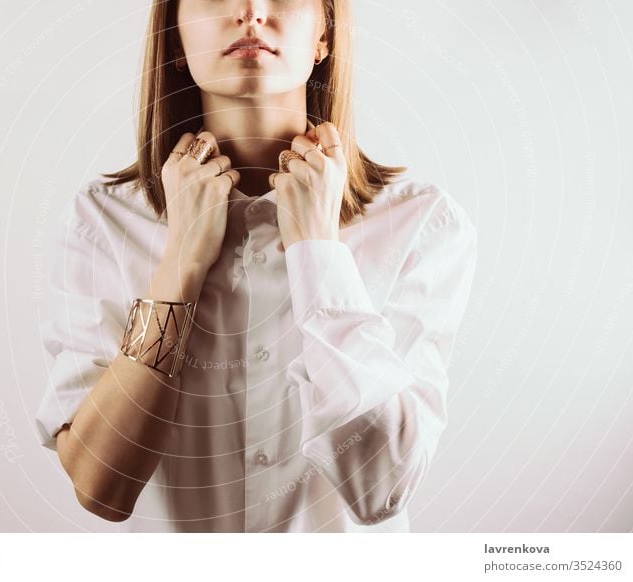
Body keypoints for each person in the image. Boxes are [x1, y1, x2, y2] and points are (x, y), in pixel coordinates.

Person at [34, 0, 478, 532]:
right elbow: (100, 485)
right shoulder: (100, 222)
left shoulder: (421, 223)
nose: (250, 10)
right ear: (175, 40)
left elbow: (382, 489)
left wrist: (318, 253)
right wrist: (181, 263)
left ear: (324, 37)